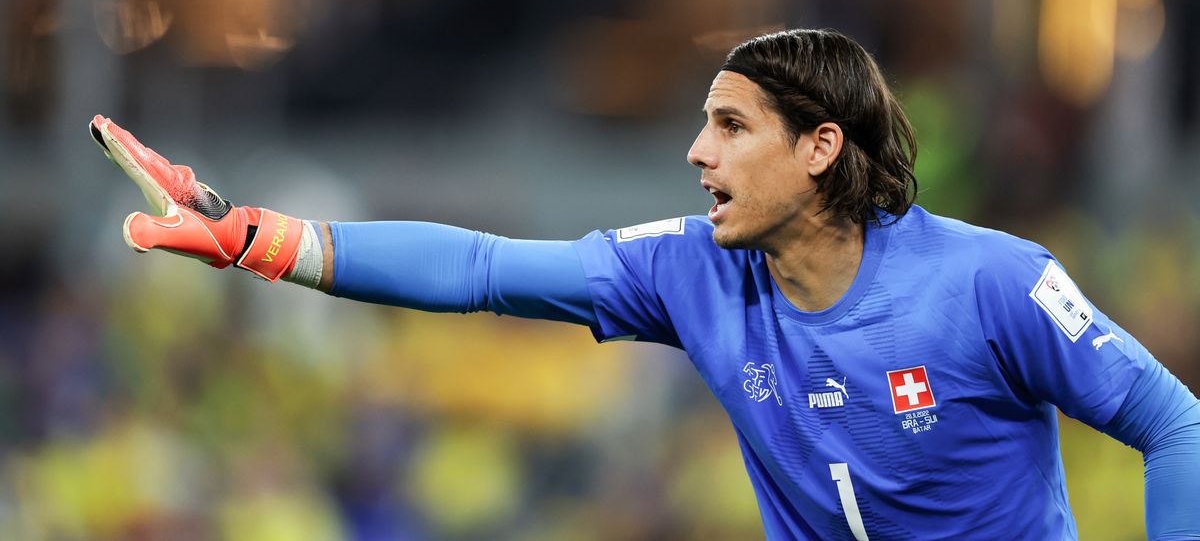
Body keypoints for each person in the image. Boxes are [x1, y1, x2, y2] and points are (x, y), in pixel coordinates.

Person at [92, 28, 1200, 540]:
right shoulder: (690, 270)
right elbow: (482, 269)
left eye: (728, 126)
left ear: (821, 146)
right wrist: (257, 239)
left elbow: (1174, 422)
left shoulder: (995, 282)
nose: (696, 153)